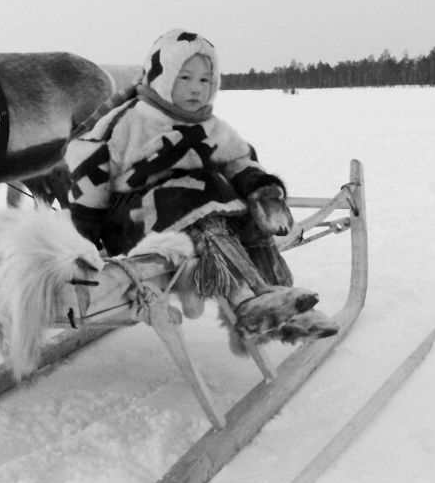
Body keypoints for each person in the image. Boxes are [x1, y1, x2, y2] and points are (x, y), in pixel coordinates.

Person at [65, 29, 334, 345]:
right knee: (200, 190)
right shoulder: (129, 121)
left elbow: (239, 160)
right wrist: (83, 245)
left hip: (195, 217)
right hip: (131, 229)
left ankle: (281, 302)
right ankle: (248, 302)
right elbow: (89, 179)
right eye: (185, 78)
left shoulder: (210, 126)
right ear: (162, 77)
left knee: (233, 204)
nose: (196, 88)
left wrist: (263, 192)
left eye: (205, 80)